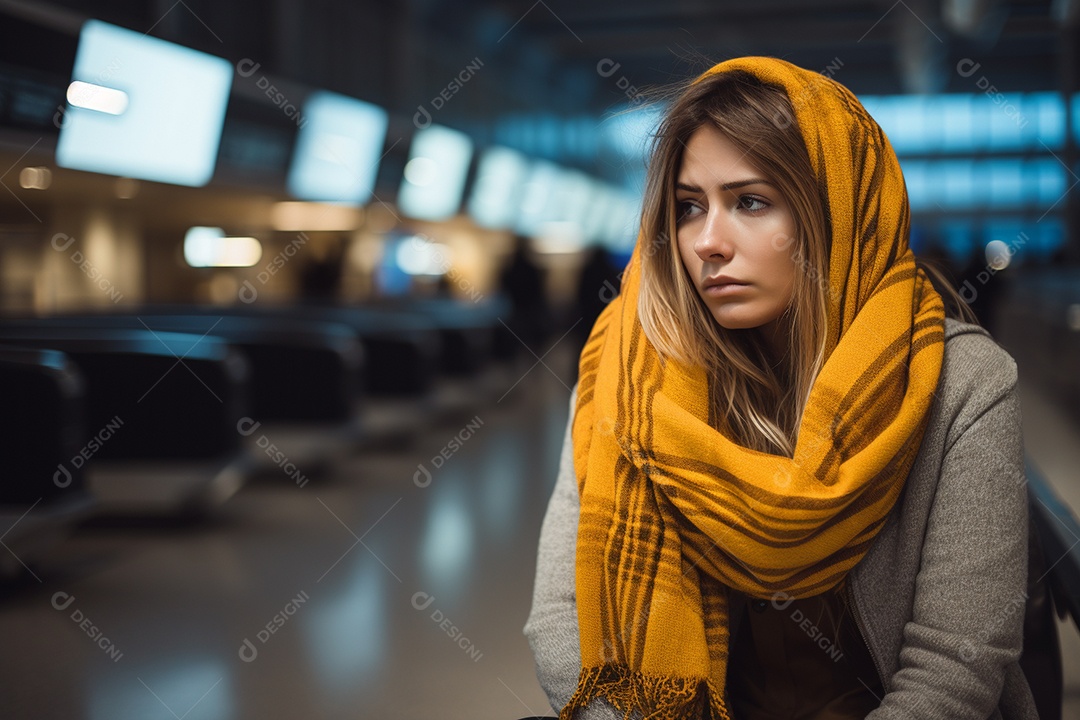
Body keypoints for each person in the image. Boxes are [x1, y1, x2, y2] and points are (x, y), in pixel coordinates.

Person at [524, 57, 1039, 720]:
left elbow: (952, 668)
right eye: (688, 208)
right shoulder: (629, 374)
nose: (708, 242)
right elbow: (560, 619)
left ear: (838, 213)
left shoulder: (961, 386)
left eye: (750, 201)